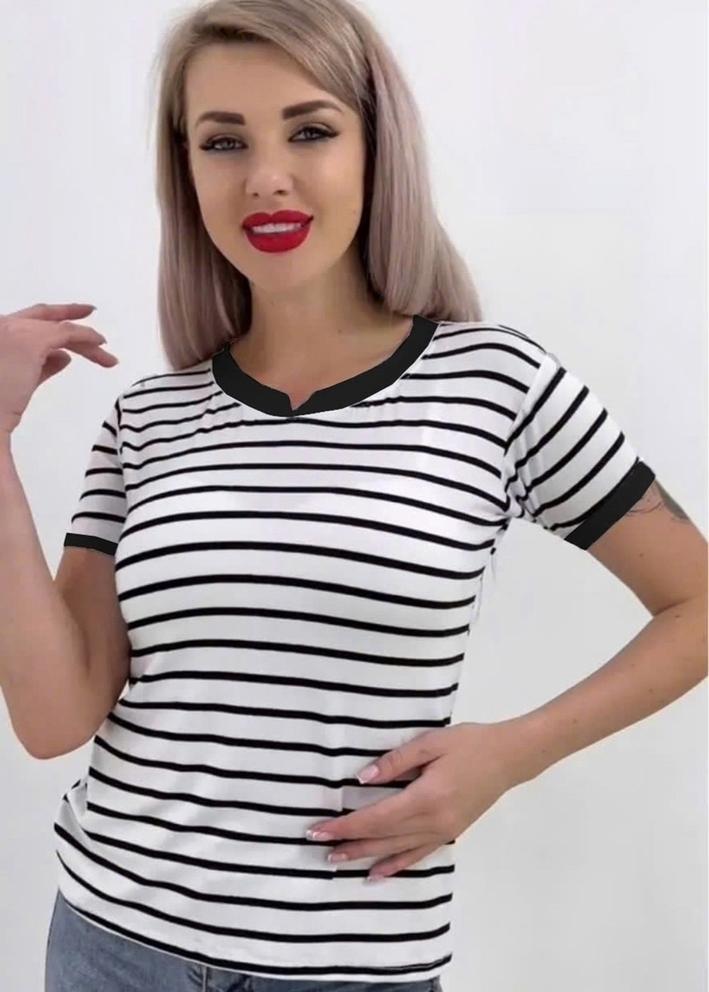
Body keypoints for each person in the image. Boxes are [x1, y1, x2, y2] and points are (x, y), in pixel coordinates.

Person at [2, 1, 701, 991]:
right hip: (110, 943)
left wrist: (509, 755)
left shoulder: (495, 384)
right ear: (185, 170)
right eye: (223, 141)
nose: (265, 176)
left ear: (376, 148)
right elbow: (52, 717)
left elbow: (696, 601)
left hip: (348, 964)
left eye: (310, 130)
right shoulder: (148, 419)